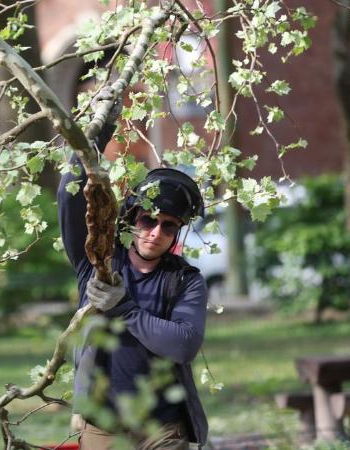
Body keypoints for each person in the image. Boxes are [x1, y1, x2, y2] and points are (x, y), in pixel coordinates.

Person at [58, 89, 208, 449]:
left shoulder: (184, 280)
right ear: (132, 218)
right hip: (103, 426)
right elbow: (69, 194)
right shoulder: (98, 261)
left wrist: (125, 310)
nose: (156, 232)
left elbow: (183, 344)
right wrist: (99, 130)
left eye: (168, 226)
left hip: (163, 428)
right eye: (148, 220)